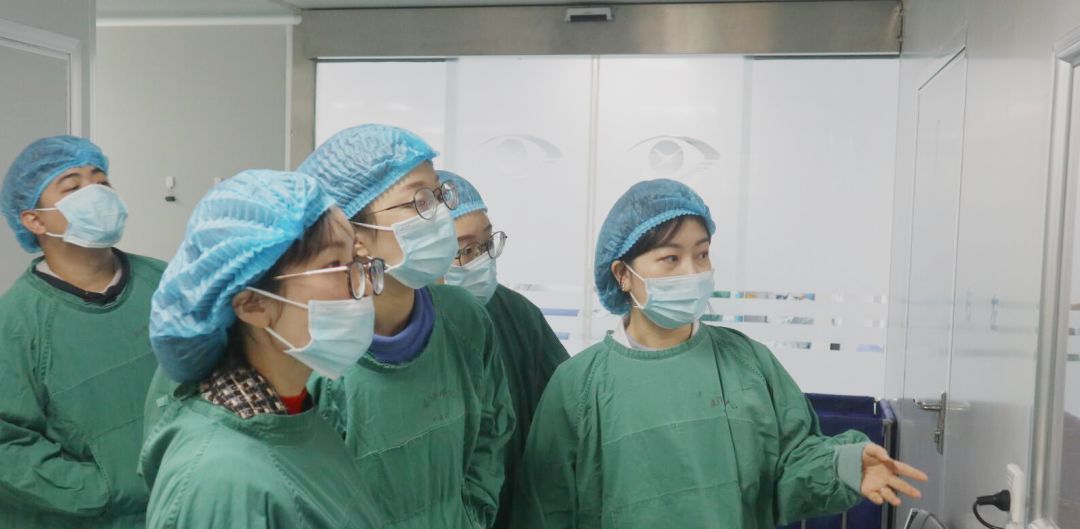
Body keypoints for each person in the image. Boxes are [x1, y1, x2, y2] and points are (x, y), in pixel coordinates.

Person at [514, 178, 928, 529]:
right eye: (671, 258)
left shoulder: (746, 362)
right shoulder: (578, 386)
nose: (692, 272)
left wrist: (844, 466)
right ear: (622, 274)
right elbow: (546, 509)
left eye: (702, 253)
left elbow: (792, 463)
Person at [140, 170, 385, 528]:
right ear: (253, 305)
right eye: (334, 265)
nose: (363, 286)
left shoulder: (295, 418)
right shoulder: (220, 480)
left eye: (354, 262)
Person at [299, 124, 515, 529]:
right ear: (354, 235)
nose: (440, 215)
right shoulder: (320, 356)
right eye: (419, 201)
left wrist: (469, 517)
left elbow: (491, 436)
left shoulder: (464, 320)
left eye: (439, 195)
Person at [0, 135, 164, 528]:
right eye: (72, 187)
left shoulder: (165, 282)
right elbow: (8, 448)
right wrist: (109, 489)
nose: (96, 193)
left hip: (182, 499)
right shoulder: (17, 323)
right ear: (34, 220)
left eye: (102, 181)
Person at [438, 169, 569, 529]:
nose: (481, 260)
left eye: (485, 244)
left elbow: (565, 417)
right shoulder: (403, 332)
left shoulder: (517, 317)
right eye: (465, 250)